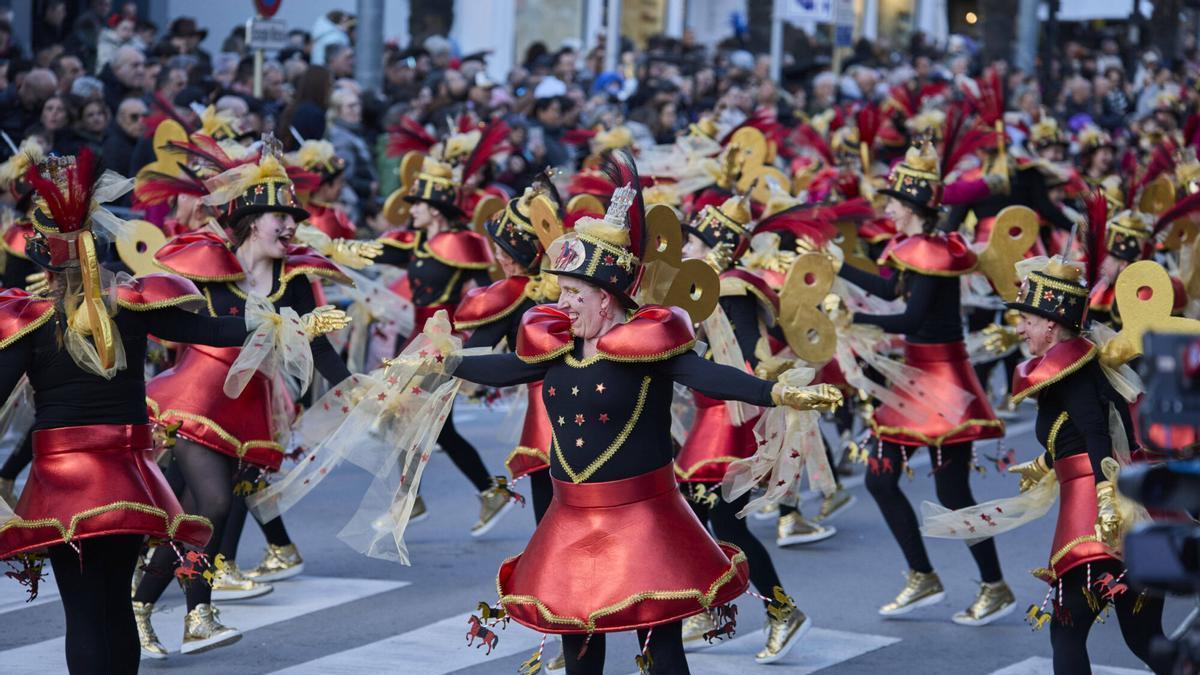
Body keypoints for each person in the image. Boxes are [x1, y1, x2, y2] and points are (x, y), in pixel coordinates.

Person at [446, 151, 841, 674]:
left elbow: (710, 377)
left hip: (644, 521)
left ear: (606, 299)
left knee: (662, 654)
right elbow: (505, 369)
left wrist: (780, 394)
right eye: (562, 292)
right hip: (572, 520)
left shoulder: (647, 346)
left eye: (574, 294)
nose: (561, 304)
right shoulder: (557, 345)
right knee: (580, 651)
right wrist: (444, 361)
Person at [0, 150, 251, 674]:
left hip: (63, 480)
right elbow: (210, 331)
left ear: (45, 257)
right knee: (115, 604)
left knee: (85, 614)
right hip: (128, 474)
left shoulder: (27, 321)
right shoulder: (133, 306)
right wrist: (286, 321)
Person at [131, 147, 352, 658]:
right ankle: (198, 616)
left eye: (294, 218)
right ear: (253, 222)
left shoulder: (293, 281)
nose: (291, 227)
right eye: (281, 217)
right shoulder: (208, 266)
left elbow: (317, 347)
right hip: (192, 398)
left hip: (246, 409)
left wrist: (353, 388)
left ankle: (145, 608)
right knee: (214, 504)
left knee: (190, 515)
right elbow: (168, 320)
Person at [833, 141, 1015, 625]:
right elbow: (892, 288)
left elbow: (911, 315)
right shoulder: (911, 248)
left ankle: (995, 587)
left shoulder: (935, 250)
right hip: (914, 380)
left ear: (912, 206)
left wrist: (853, 317)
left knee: (953, 492)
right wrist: (836, 267)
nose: (886, 208)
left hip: (944, 381)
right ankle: (922, 575)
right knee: (879, 478)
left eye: (892, 201)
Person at [673, 196, 812, 663]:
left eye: (693, 240)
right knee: (698, 518)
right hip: (709, 419)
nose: (685, 247)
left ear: (718, 249)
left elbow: (749, 355)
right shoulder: (705, 288)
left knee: (727, 523)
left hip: (727, 422)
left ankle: (782, 611)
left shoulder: (730, 288)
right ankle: (712, 608)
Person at [374, 156, 512, 532]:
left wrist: (483, 338)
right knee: (416, 423)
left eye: (418, 203)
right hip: (414, 343)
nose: (411, 208)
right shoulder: (415, 241)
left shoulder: (460, 243)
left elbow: (489, 290)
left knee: (408, 419)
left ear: (435, 209)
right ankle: (484, 491)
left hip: (442, 344)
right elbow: (375, 251)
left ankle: (412, 501)